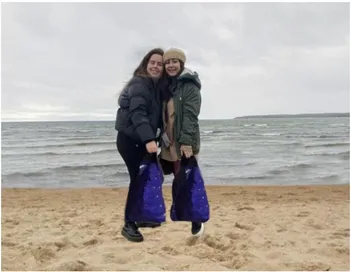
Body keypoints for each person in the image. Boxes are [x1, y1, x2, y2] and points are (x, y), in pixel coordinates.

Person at [115, 48, 164, 242]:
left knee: (152, 177)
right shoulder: (140, 83)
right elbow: (138, 113)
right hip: (130, 141)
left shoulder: (154, 87)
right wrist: (149, 139)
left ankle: (141, 217)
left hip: (141, 141)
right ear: (145, 64)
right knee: (138, 180)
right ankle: (129, 224)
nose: (155, 66)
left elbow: (154, 117)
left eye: (159, 64)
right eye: (153, 62)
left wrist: (158, 136)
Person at [159, 48, 205, 237]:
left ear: (181, 64)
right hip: (168, 142)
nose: (171, 65)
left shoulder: (189, 86)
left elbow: (190, 116)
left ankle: (197, 221)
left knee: (186, 181)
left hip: (182, 143)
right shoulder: (169, 86)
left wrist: (186, 142)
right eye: (167, 62)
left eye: (174, 62)